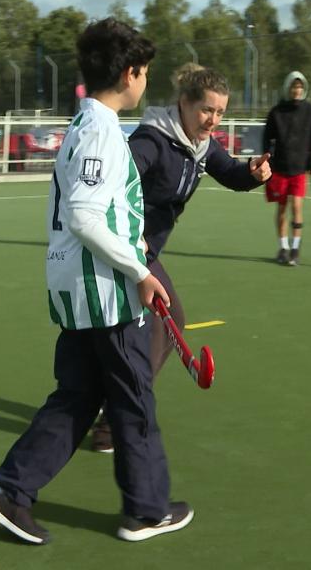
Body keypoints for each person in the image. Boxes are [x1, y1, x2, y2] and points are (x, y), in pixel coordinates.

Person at [0, 17, 191, 545]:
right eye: (146, 73)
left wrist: (133, 241)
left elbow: (95, 210)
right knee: (133, 400)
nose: (146, 83)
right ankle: (146, 510)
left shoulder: (87, 125)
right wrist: (140, 270)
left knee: (78, 396)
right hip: (106, 294)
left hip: (83, 287)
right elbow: (86, 216)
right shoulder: (99, 131)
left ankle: (9, 491)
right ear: (131, 72)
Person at [88, 64, 272, 453]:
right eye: (207, 109)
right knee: (160, 328)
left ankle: (111, 412)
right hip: (128, 248)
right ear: (184, 103)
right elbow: (116, 184)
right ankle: (117, 418)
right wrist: (130, 245)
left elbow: (230, 173)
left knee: (135, 337)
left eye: (220, 112)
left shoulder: (201, 146)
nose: (213, 119)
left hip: (145, 251)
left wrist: (253, 174)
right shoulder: (153, 141)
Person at [262, 71, 311, 266]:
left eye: (300, 87)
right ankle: (283, 247)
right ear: (288, 88)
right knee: (281, 208)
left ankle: (295, 248)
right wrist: (266, 160)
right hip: (279, 168)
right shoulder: (276, 112)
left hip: (299, 168)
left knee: (297, 207)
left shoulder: (310, 111)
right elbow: (266, 139)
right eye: (294, 87)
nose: (297, 90)